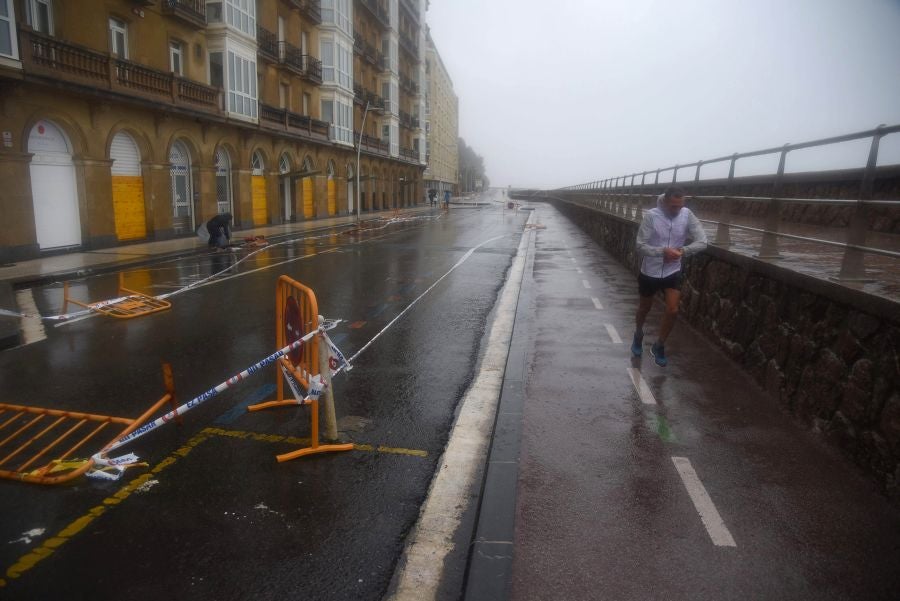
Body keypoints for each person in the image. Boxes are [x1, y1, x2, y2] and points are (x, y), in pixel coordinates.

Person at [631, 187, 707, 366]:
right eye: (673, 206)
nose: (677, 210)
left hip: (672, 270)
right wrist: (662, 252)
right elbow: (640, 246)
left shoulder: (687, 214)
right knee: (644, 309)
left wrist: (683, 251)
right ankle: (638, 333)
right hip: (650, 270)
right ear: (664, 202)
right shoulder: (652, 215)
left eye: (680, 206)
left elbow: (703, 241)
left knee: (673, 309)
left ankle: (659, 345)